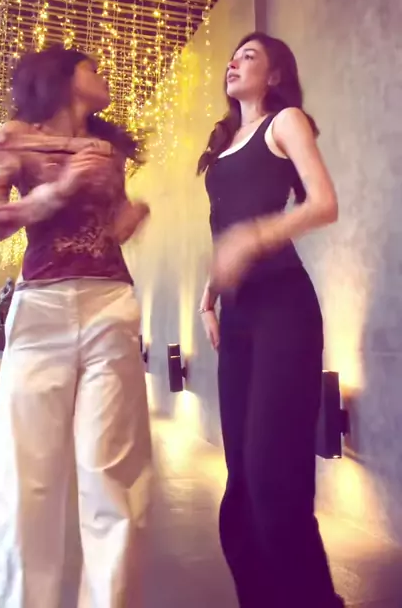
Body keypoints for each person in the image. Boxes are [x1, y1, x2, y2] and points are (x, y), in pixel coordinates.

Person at [0, 45, 152, 608]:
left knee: (113, 478)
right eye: (92, 67)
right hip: (40, 311)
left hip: (111, 305)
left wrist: (132, 217)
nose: (103, 74)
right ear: (64, 77)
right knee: (26, 481)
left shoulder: (107, 149)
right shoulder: (15, 138)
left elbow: (113, 227)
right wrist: (56, 192)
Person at [197, 32, 344, 608]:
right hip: (237, 316)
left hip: (284, 309)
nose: (234, 63)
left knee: (272, 481)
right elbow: (224, 229)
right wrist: (210, 295)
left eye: (250, 56)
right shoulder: (224, 144)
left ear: (276, 74)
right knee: (239, 489)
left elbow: (323, 203)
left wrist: (256, 238)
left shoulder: (285, 122)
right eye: (233, 56)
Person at [0, 277, 15, 351]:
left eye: (11, 283)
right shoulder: (3, 289)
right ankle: (0, 321)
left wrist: (11, 291)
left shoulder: (15, 290)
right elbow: (2, 297)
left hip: (11, 304)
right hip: (4, 304)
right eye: (9, 283)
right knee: (0, 304)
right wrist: (9, 292)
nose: (10, 285)